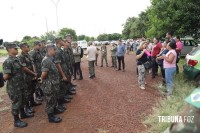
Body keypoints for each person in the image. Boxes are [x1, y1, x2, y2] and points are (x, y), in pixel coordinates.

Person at [3, 43, 32, 128]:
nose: (17, 50)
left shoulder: (17, 59)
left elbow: (23, 68)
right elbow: (6, 76)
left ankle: (23, 114)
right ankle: (16, 120)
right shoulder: (8, 62)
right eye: (15, 48)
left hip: (21, 85)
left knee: (23, 100)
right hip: (14, 87)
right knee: (16, 103)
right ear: (9, 49)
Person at [41, 44, 62, 123]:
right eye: (54, 50)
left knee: (53, 99)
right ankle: (51, 117)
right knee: (50, 101)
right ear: (49, 50)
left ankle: (54, 111)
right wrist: (42, 81)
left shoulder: (51, 58)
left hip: (53, 84)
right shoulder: (46, 60)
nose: (55, 51)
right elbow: (44, 74)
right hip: (49, 85)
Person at [18, 42, 37, 114]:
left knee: (32, 90)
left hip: (32, 75)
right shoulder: (21, 57)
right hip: (26, 77)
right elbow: (24, 68)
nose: (29, 47)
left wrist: (34, 72)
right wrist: (33, 73)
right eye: (27, 46)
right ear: (23, 48)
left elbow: (32, 63)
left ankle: (32, 103)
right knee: (27, 92)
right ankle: (27, 107)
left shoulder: (28, 55)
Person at [54, 37, 70, 111]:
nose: (64, 42)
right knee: (60, 88)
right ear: (59, 41)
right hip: (61, 72)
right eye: (63, 41)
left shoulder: (60, 50)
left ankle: (62, 100)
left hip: (64, 70)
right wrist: (63, 74)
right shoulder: (57, 51)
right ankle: (59, 104)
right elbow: (58, 64)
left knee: (63, 86)